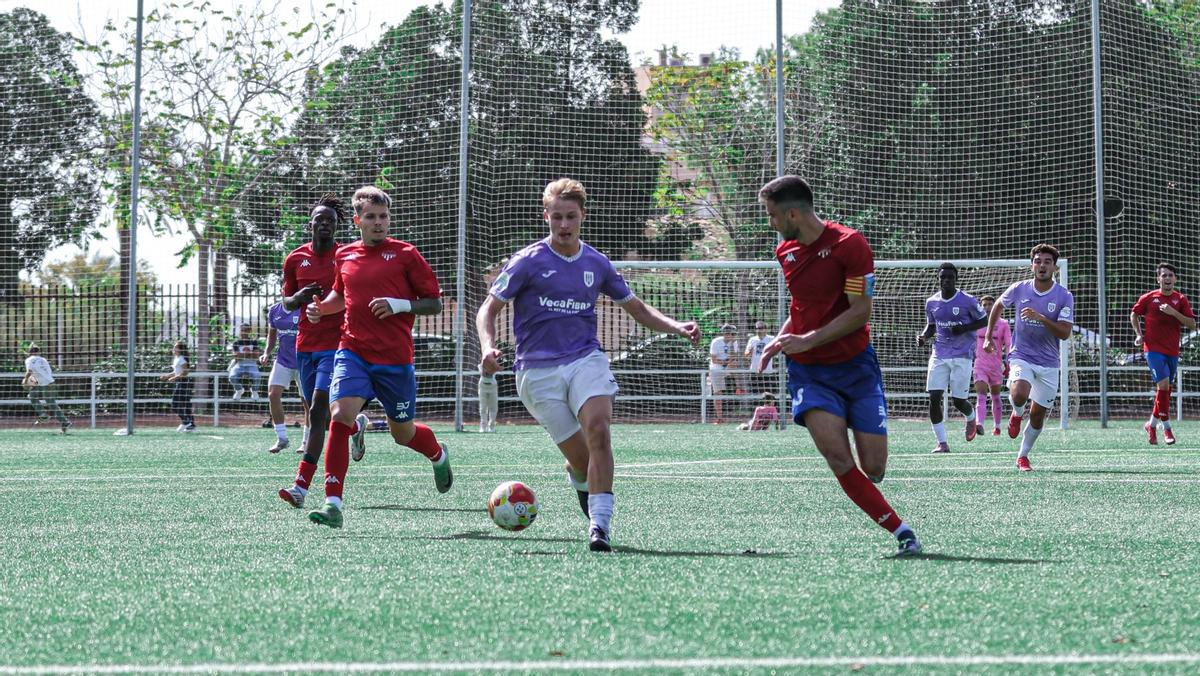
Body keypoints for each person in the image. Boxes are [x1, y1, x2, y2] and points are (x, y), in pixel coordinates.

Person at [476, 178, 700, 552]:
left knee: (599, 429)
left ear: (583, 217)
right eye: (557, 217)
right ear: (545, 216)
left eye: (571, 217)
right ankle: (581, 479)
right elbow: (489, 308)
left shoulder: (597, 263)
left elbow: (636, 307)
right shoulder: (527, 261)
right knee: (581, 461)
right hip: (536, 372)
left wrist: (676, 326)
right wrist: (487, 347)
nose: (564, 225)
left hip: (585, 358)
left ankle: (600, 525)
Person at [756, 175, 921, 556]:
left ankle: (852, 415)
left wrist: (806, 338)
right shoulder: (786, 252)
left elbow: (860, 312)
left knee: (875, 469)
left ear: (793, 213)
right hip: (809, 372)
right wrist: (781, 341)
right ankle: (902, 531)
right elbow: (803, 310)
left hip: (856, 368)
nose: (771, 225)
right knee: (837, 457)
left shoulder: (851, 245)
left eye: (772, 216)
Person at [302, 185, 453, 528]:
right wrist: (320, 310)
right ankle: (332, 504)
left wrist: (398, 304)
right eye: (370, 217)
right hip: (352, 351)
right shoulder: (345, 256)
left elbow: (434, 303)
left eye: (383, 216)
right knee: (338, 416)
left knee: (403, 434)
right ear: (357, 220)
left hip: (395, 360)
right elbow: (342, 295)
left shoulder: (406, 254)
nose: (378, 223)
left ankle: (438, 454)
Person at [278, 194, 369, 509]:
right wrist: (299, 297)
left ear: (337, 225)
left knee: (317, 410)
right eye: (320, 219)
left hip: (338, 344)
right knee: (324, 416)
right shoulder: (294, 259)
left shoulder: (346, 256)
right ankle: (355, 426)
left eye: (331, 219)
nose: (325, 224)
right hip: (305, 347)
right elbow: (286, 302)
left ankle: (300, 486)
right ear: (311, 223)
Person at [982, 244, 1074, 472]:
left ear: (1054, 267)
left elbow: (1064, 332)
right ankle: (1016, 412)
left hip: (1049, 363)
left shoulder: (1064, 296)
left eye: (1047, 262)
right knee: (1019, 393)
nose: (1042, 265)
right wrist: (988, 337)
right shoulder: (1019, 288)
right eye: (1038, 261)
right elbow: (998, 305)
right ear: (1032, 264)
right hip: (1021, 355)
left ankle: (1022, 456)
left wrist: (1041, 318)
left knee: (1037, 417)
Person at [916, 262, 987, 453]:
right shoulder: (931, 302)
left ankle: (971, 418)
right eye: (943, 277)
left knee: (958, 401)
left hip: (962, 356)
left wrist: (964, 328)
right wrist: (923, 336)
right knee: (934, 397)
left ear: (956, 279)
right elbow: (931, 326)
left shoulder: (968, 300)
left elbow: (984, 319)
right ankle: (942, 443)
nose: (946, 280)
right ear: (938, 279)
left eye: (950, 277)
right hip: (939, 354)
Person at [1130, 262, 1196, 445]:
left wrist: (1174, 312)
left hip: (1173, 351)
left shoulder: (1180, 299)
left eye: (1170, 275)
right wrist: (1139, 335)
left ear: (1175, 278)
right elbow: (1134, 314)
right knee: (1164, 385)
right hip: (1153, 350)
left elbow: (1192, 324)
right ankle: (1167, 428)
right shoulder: (1149, 298)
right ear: (1158, 278)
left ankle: (1151, 425)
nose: (1167, 278)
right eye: (1163, 275)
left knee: (1164, 390)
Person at [260, 302, 309, 453]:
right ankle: (282, 438)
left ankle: (306, 442)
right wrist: (267, 352)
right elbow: (272, 334)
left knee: (308, 403)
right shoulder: (275, 310)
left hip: (304, 361)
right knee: (273, 394)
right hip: (282, 361)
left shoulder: (305, 307)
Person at [973, 295, 1010, 436]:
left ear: (995, 307)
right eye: (984, 305)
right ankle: (979, 423)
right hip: (980, 364)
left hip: (996, 366)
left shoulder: (1003, 324)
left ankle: (997, 426)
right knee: (981, 395)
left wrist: (1008, 362)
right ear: (981, 307)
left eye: (990, 304)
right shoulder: (976, 324)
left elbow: (1008, 344)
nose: (987, 307)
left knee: (995, 396)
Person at [22, 344, 70, 433]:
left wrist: (25, 381)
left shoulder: (29, 360)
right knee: (51, 403)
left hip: (42, 383)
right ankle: (64, 421)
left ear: (29, 352)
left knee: (32, 397)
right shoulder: (43, 359)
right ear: (38, 352)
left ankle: (44, 415)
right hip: (50, 382)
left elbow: (30, 371)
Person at [160, 341, 196, 432]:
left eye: (175, 347)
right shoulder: (177, 358)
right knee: (185, 404)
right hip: (180, 382)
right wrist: (167, 376)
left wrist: (175, 378)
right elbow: (176, 371)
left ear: (180, 349)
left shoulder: (182, 359)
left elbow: (185, 372)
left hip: (183, 383)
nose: (173, 348)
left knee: (175, 404)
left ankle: (185, 421)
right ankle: (191, 424)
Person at [708, 324, 737, 424]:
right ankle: (719, 417)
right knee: (718, 394)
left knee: (738, 365)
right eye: (727, 333)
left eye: (732, 333)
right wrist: (726, 363)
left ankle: (740, 387)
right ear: (723, 333)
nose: (730, 335)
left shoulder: (735, 343)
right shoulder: (716, 342)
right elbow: (714, 360)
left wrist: (732, 344)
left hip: (729, 367)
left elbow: (734, 357)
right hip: (717, 369)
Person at [227, 324, 262, 399]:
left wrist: (242, 354)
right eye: (242, 330)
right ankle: (239, 390)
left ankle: (254, 391)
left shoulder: (254, 342)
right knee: (232, 377)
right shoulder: (236, 343)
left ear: (250, 331)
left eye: (246, 330)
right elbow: (237, 358)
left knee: (257, 376)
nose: (244, 332)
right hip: (240, 365)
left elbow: (256, 356)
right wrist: (249, 354)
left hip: (252, 365)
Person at [744, 320, 776, 397]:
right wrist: (749, 352)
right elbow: (746, 355)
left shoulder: (771, 338)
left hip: (767, 371)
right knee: (755, 394)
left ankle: (768, 409)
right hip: (755, 371)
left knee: (769, 394)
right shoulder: (752, 339)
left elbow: (776, 352)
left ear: (766, 329)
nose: (758, 330)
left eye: (761, 328)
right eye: (757, 328)